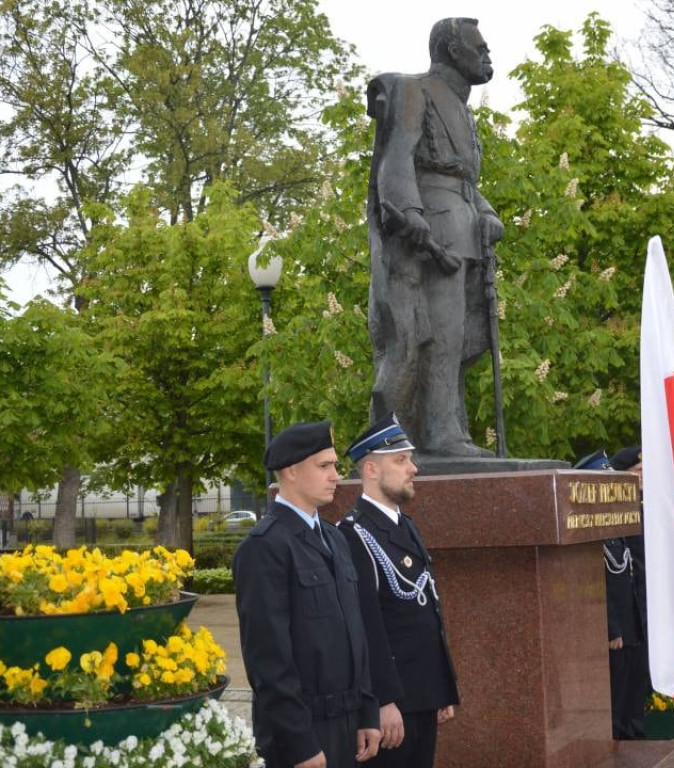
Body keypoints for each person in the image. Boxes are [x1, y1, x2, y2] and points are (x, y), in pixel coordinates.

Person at [365, 17, 504, 458]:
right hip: (433, 233)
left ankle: (447, 427)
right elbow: (396, 161)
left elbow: (463, 178)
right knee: (439, 337)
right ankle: (441, 434)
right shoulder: (415, 90)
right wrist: (411, 217)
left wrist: (486, 213)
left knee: (458, 338)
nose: (487, 55)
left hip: (463, 227)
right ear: (451, 50)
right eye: (478, 47)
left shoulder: (462, 107)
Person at [233, 421, 381, 768]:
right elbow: (267, 659)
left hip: (347, 725)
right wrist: (300, 742)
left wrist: (367, 711)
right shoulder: (264, 547)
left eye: (334, 465)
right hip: (301, 732)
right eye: (324, 466)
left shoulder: (334, 539)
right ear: (291, 472)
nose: (336, 476)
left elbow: (355, 633)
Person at [338, 413, 459, 768]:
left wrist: (441, 686)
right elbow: (367, 628)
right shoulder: (354, 534)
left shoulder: (406, 526)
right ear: (371, 470)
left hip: (423, 693)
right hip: (393, 704)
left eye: (410, 459)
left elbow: (427, 612)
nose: (414, 469)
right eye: (401, 460)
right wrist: (381, 701)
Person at [575, 446, 650, 739]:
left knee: (635, 689)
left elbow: (631, 573)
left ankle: (635, 741)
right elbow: (593, 585)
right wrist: (612, 627)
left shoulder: (616, 522)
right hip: (616, 629)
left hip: (633, 623)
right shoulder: (588, 531)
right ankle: (618, 745)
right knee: (615, 698)